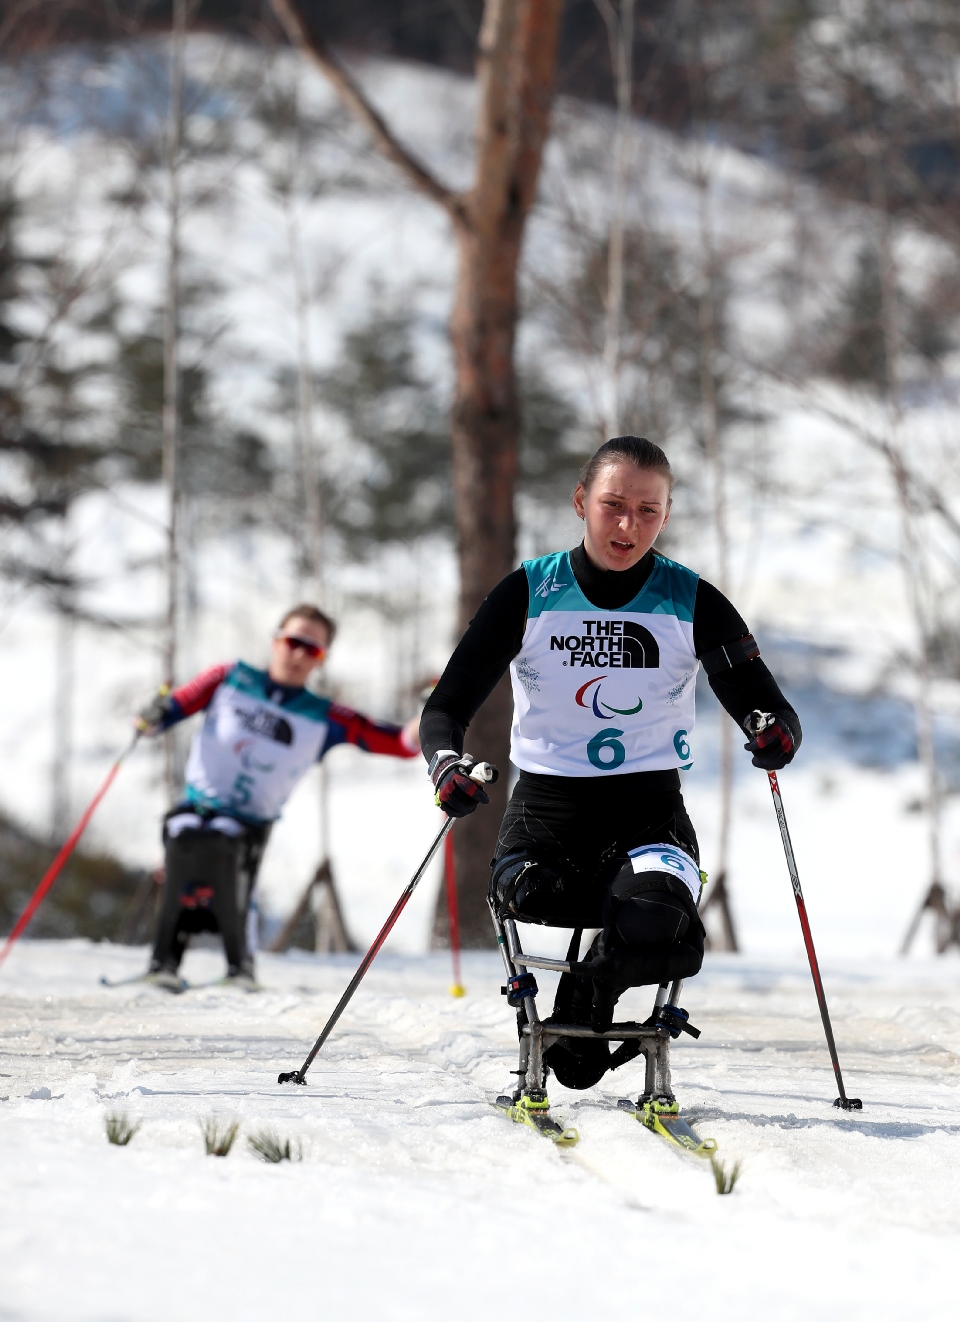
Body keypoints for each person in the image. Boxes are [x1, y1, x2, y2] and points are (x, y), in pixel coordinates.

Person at [420, 436, 800, 1089]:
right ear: (580, 502)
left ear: (667, 514)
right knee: (534, 898)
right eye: (613, 505)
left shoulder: (692, 601)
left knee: (657, 912)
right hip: (546, 820)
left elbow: (770, 711)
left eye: (648, 511)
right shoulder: (530, 592)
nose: (628, 526)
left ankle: (585, 1004)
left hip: (649, 817)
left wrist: (773, 736)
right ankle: (588, 1008)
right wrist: (445, 766)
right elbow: (445, 710)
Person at [137, 604, 420, 989]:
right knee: (184, 834)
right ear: (275, 641)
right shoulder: (230, 678)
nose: (300, 654)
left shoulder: (324, 715)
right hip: (197, 806)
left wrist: (433, 712)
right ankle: (164, 962)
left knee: (226, 848)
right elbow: (166, 713)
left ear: (322, 660)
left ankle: (240, 966)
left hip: (249, 823)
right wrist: (151, 714)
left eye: (314, 650)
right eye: (294, 642)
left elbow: (401, 743)